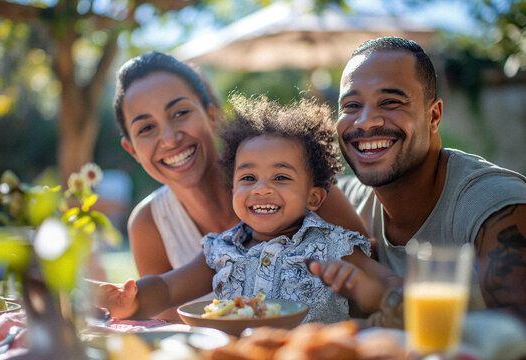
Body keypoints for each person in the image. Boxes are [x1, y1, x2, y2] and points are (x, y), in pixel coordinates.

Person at [112, 52, 369, 319]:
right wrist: (122, 298)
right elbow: (166, 315)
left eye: (180, 113)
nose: (168, 138)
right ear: (131, 149)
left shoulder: (303, 184)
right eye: (146, 128)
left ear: (212, 115)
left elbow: (369, 272)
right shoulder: (171, 232)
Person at [335, 36, 526, 321]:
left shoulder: (496, 206)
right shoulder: (344, 203)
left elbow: (515, 337)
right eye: (351, 105)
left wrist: (390, 295)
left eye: (390, 102)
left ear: (434, 116)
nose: (365, 121)